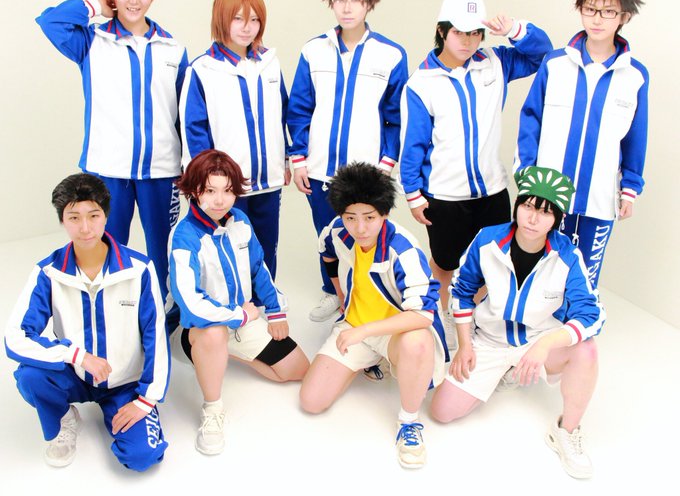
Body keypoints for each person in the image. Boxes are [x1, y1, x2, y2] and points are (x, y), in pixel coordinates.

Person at [430, 166, 605, 479]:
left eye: (545, 212)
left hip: (539, 339)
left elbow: (592, 314)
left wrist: (546, 344)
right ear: (517, 206)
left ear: (556, 219)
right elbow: (461, 290)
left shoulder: (567, 255)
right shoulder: (487, 240)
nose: (533, 218)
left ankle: (566, 431)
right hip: (490, 340)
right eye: (528, 206)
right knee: (441, 412)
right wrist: (465, 345)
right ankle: (504, 372)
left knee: (587, 350)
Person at [35, 0, 188, 300]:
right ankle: (110, 306)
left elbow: (182, 113)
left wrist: (186, 164)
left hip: (162, 170)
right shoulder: (92, 41)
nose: (134, 0)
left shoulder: (173, 49)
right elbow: (50, 21)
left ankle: (164, 307)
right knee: (105, 244)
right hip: (107, 169)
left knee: (164, 246)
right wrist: (95, 7)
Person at [399, 0, 552, 322]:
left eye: (474, 33)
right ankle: (440, 321)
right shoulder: (421, 82)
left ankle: (477, 323)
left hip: (492, 191)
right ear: (442, 30)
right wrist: (412, 194)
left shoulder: (496, 62)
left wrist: (514, 30)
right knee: (445, 264)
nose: (467, 41)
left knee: (492, 263)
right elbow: (413, 144)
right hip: (445, 196)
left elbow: (543, 55)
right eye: (459, 32)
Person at [5, 174, 169, 471]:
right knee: (30, 377)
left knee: (143, 457)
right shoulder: (49, 272)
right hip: (76, 376)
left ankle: (125, 412)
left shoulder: (138, 270)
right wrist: (77, 356)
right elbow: (15, 337)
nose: (85, 227)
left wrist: (146, 400)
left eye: (93, 215)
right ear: (62, 221)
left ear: (106, 215)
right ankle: (64, 418)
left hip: (124, 384)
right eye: (74, 217)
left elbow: (155, 336)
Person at [299, 162, 447, 469]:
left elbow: (423, 315)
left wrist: (364, 332)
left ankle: (409, 421)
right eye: (351, 217)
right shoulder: (338, 231)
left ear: (384, 214)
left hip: (397, 333)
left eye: (369, 217)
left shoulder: (402, 248)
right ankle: (371, 360)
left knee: (418, 342)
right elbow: (326, 252)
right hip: (355, 325)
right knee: (311, 402)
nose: (360, 228)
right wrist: (339, 292)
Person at [515, 0, 647, 288]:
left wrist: (630, 189)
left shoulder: (635, 76)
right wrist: (526, 172)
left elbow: (635, 138)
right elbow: (530, 119)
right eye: (590, 9)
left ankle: (579, 318)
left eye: (608, 12)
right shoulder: (555, 64)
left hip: (599, 197)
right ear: (581, 9)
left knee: (585, 278)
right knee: (539, 270)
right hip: (547, 194)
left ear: (624, 16)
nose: (597, 19)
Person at [287, 0, 408, 322]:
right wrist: (298, 158)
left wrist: (386, 164)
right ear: (331, 2)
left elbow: (395, 116)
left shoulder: (391, 54)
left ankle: (367, 300)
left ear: (369, 2)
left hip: (366, 173)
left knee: (365, 236)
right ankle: (334, 293)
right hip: (320, 168)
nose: (347, 7)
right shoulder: (314, 50)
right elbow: (299, 108)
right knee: (328, 235)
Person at [167, 149, 309, 456]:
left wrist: (276, 312)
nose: (220, 200)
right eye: (210, 191)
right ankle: (212, 408)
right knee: (214, 334)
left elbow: (259, 268)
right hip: (194, 329)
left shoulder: (240, 221)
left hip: (240, 320)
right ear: (194, 190)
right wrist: (240, 317)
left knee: (298, 370)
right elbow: (190, 303)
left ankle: (222, 354)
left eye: (228, 190)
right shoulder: (184, 236)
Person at [180, 0, 289, 278]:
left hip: (268, 181)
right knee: (224, 251)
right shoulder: (202, 69)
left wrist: (285, 161)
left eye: (254, 19)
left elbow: (282, 114)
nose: (247, 27)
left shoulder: (270, 63)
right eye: (238, 18)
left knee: (265, 249)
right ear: (222, 19)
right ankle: (228, 302)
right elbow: (194, 129)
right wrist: (205, 181)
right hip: (225, 186)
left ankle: (265, 300)